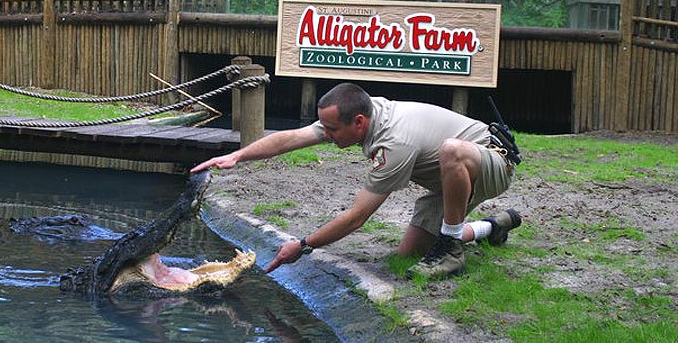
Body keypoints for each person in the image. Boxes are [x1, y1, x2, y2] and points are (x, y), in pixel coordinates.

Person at [191, 82, 521, 278]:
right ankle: (493, 226)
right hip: (446, 181)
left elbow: (357, 217)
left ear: (359, 123)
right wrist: (237, 156)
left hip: (491, 162)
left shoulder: (394, 141)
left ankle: (451, 249)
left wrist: (304, 246)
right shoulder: (353, 114)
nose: (327, 135)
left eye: (332, 130)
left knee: (451, 151)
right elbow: (291, 137)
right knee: (408, 255)